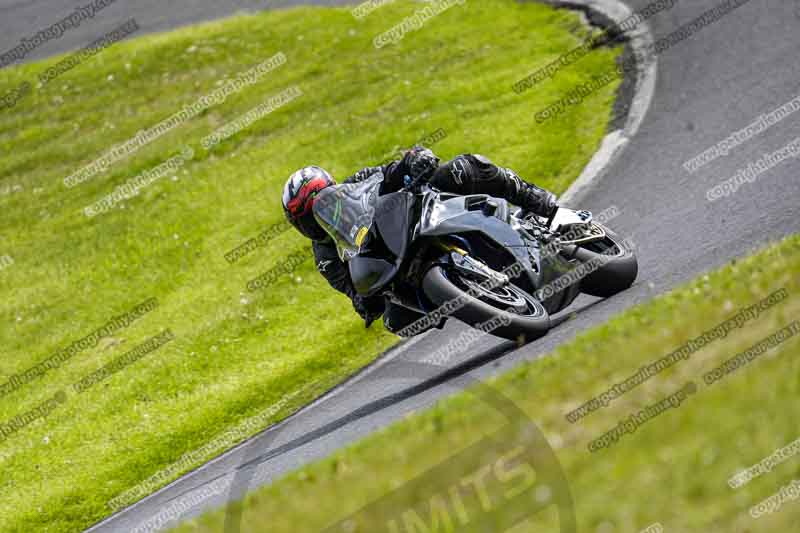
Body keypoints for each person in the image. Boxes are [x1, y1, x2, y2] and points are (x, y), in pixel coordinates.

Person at [281, 147, 558, 335]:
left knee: (462, 168)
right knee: (395, 321)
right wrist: (364, 303)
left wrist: (415, 159)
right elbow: (352, 290)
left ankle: (533, 198)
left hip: (414, 218)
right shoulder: (326, 259)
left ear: (332, 191)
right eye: (303, 219)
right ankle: (464, 293)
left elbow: (390, 172)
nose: (312, 221)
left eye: (315, 209)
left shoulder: (356, 183)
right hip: (394, 266)